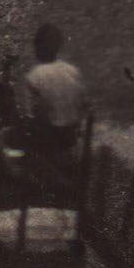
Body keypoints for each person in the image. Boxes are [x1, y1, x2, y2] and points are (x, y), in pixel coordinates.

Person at [21, 22, 87, 171]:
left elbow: (29, 115)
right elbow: (82, 106)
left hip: (50, 141)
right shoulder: (73, 71)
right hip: (70, 138)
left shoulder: (34, 76)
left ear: (37, 47)